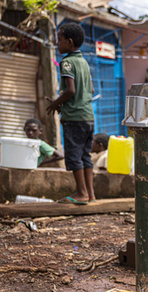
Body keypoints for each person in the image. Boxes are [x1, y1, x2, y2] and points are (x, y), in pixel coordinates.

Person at [46, 22, 95, 205]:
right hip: (88, 116)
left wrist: (56, 103)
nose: (57, 43)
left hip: (74, 118)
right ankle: (90, 193)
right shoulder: (83, 62)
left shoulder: (67, 62)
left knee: (74, 155)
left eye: (59, 40)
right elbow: (89, 88)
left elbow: (71, 90)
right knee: (85, 156)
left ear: (70, 42)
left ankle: (81, 193)